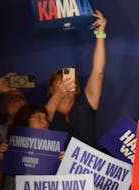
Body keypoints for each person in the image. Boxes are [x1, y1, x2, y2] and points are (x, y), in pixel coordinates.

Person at [45, 10, 107, 146]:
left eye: (69, 79)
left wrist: (101, 34)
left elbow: (98, 71)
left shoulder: (87, 102)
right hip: (55, 166)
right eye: (60, 80)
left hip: (85, 165)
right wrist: (57, 96)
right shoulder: (44, 110)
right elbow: (40, 130)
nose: (66, 83)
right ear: (51, 88)